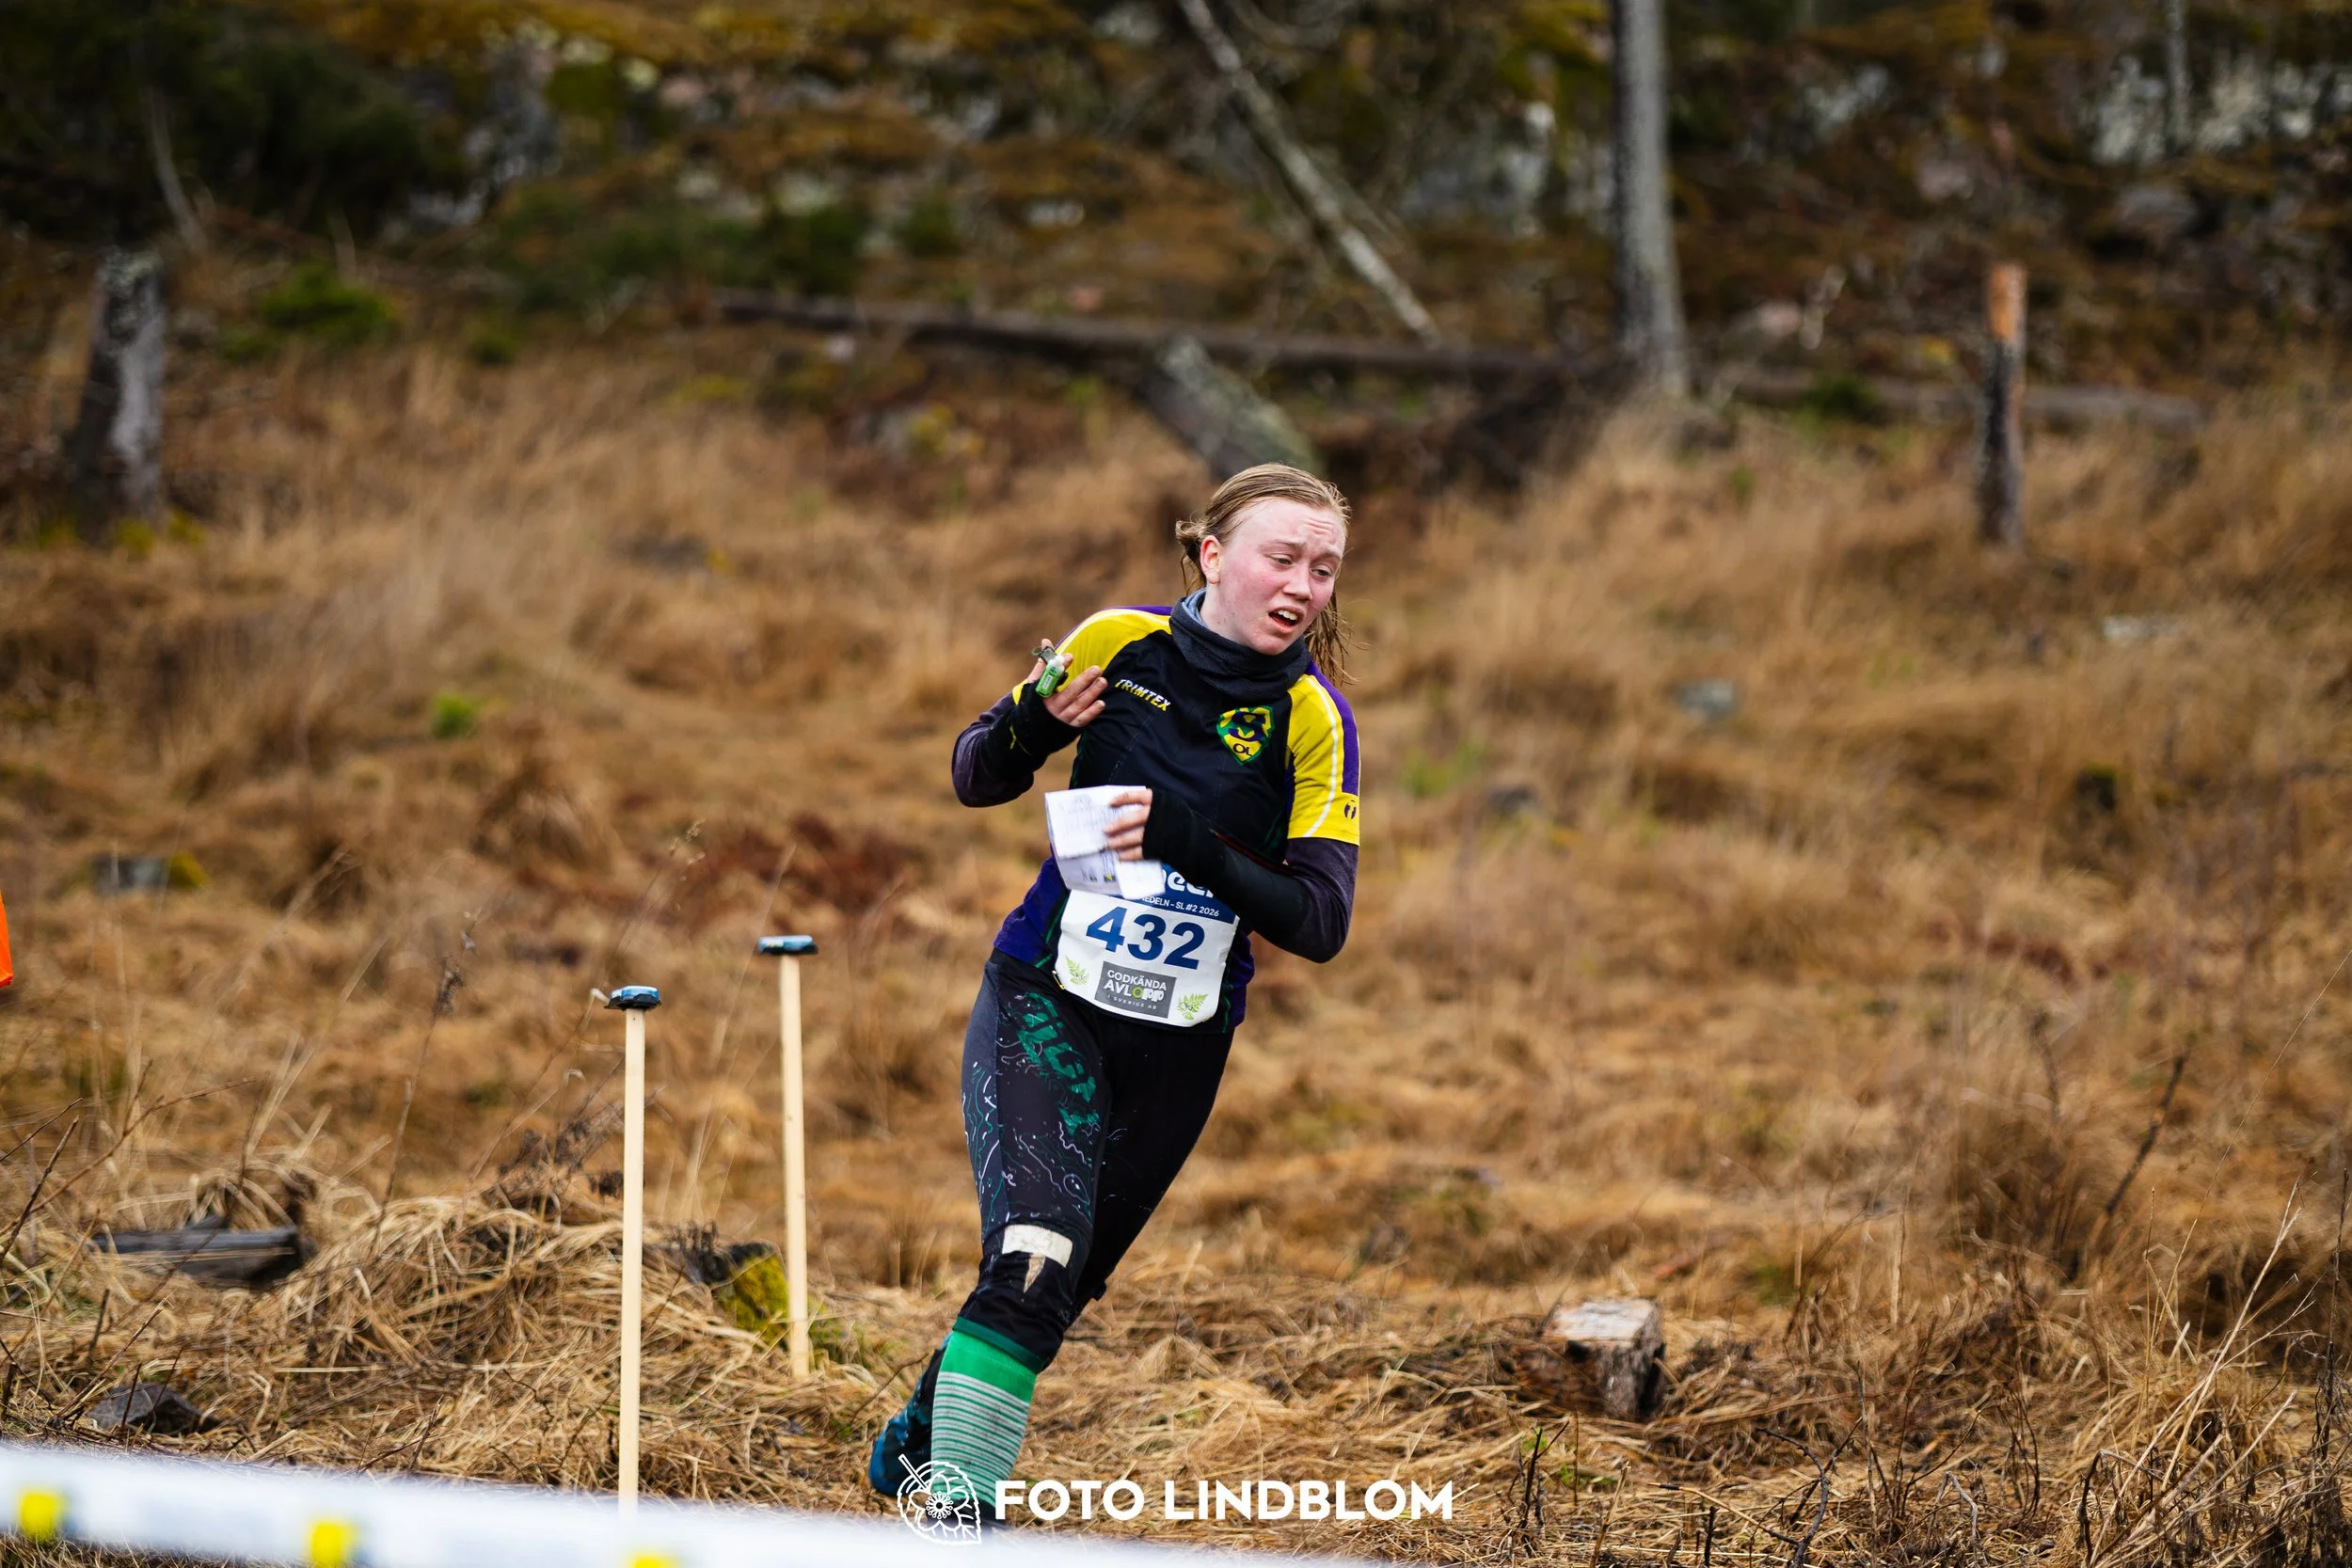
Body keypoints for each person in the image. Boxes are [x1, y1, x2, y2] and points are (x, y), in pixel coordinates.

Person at [866, 463, 1362, 1522]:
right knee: (1035, 1256)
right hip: (1050, 992)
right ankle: (954, 1518)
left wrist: (1193, 844)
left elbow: (1318, 921)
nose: (1304, 585)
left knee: (1058, 1288)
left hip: (1180, 1040)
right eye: (1283, 557)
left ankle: (917, 1437)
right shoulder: (1114, 641)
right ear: (1212, 554)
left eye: (1324, 569)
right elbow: (972, 772)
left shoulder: (1313, 719)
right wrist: (1035, 726)